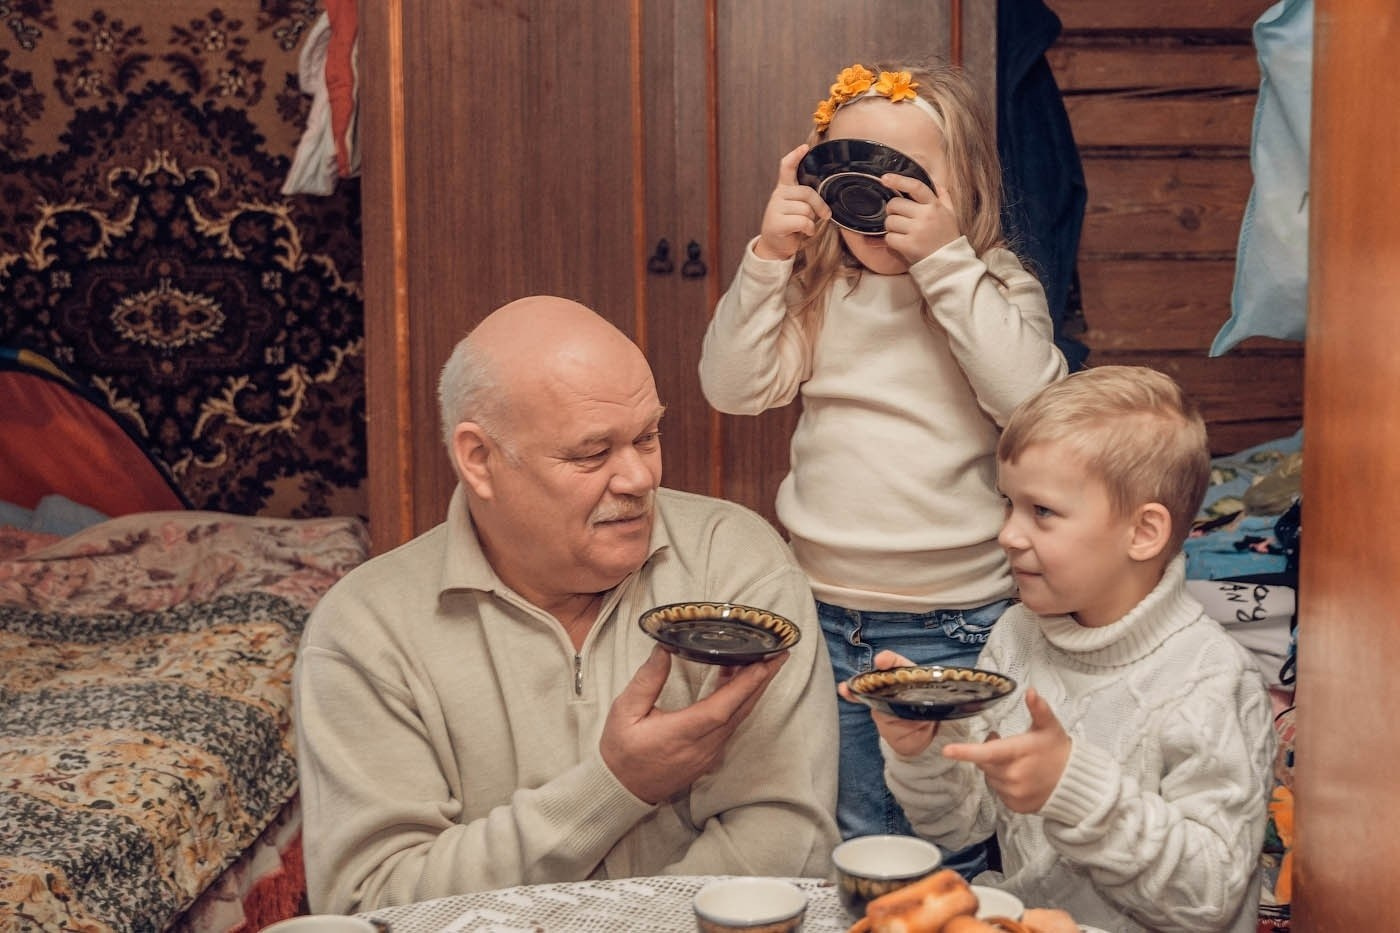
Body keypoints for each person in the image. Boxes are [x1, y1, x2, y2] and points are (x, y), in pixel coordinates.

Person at [294, 296, 840, 913]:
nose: (639, 478)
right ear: (480, 460)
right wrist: (615, 786)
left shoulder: (734, 562)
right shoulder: (365, 629)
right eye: (591, 453)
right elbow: (375, 902)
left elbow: (787, 839)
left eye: (647, 437)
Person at [698, 60, 1068, 868]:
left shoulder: (994, 287)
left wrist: (944, 265)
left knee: (957, 822)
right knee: (853, 824)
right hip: (824, 613)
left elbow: (1030, 404)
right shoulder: (823, 290)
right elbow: (729, 388)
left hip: (959, 618)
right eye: (855, 176)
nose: (880, 201)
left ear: (960, 187)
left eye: (907, 182)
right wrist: (768, 254)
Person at [847, 366, 1277, 932]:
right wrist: (925, 747)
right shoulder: (1016, 636)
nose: (1007, 534)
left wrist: (1073, 788)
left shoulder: (1215, 681)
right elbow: (959, 826)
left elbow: (1209, 898)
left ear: (1143, 532)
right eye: (1008, 504)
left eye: (1041, 512)